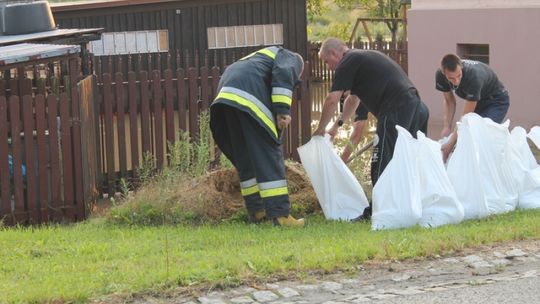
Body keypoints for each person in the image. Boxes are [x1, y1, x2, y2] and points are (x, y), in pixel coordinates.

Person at [313, 37, 429, 221]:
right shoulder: (361, 58)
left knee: (381, 158)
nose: (329, 67)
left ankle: (376, 210)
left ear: (335, 53)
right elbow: (353, 100)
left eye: (327, 62)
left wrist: (320, 129)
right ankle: (411, 202)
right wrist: (336, 126)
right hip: (416, 106)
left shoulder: (347, 61)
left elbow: (331, 100)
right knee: (405, 158)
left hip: (396, 106)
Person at [210, 46, 305, 227]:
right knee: (269, 156)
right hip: (248, 97)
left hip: (225, 101)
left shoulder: (258, 57)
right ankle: (281, 216)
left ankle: (257, 211)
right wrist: (282, 111)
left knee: (246, 158)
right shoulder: (291, 57)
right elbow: (284, 73)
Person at [436, 54, 510, 162]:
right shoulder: (440, 75)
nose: (456, 81)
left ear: (461, 67)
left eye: (459, 76)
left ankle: (491, 169)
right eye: (451, 78)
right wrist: (447, 126)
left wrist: (450, 144)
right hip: (479, 100)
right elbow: (449, 101)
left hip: (496, 101)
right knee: (466, 135)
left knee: (481, 135)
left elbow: (466, 115)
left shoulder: (474, 76)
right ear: (444, 73)